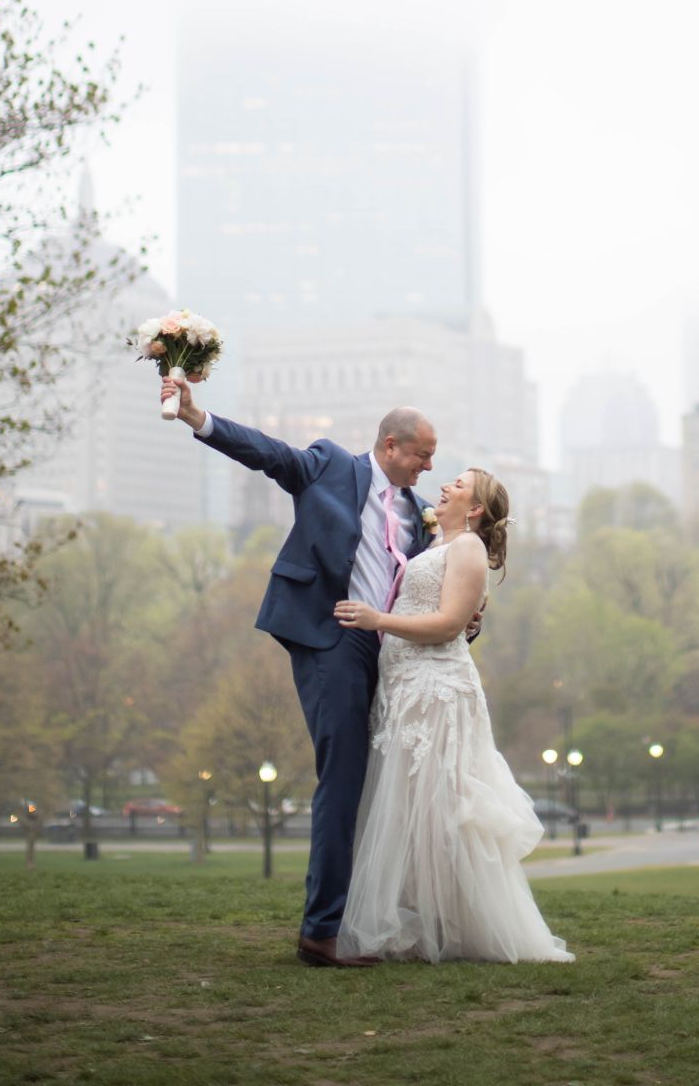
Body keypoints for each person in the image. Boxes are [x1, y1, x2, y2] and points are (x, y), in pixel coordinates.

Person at [161, 372, 441, 968]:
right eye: (421, 455)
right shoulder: (330, 465)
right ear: (390, 446)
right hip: (330, 635)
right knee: (342, 777)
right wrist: (195, 417)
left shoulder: (420, 514)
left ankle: (375, 914)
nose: (427, 468)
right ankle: (321, 931)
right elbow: (266, 453)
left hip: (387, 649)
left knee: (379, 782)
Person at [332, 467, 572, 964]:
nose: (444, 487)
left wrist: (378, 620)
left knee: (437, 804)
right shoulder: (437, 544)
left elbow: (446, 625)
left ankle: (449, 926)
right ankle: (422, 920)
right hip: (404, 685)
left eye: (458, 485)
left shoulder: (467, 548)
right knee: (408, 805)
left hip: (435, 688)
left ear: (477, 508)